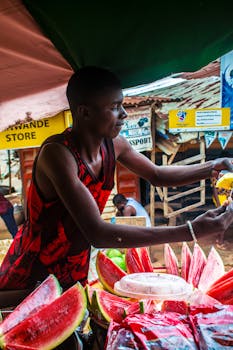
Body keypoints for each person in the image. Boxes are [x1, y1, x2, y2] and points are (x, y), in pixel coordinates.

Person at [1, 66, 233, 291]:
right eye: (115, 107)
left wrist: (214, 165)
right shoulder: (58, 154)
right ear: (84, 112)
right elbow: (98, 233)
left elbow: (157, 175)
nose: (124, 113)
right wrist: (191, 231)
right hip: (33, 270)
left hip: (75, 268)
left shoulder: (115, 145)